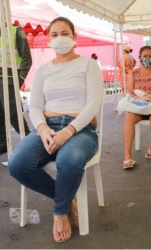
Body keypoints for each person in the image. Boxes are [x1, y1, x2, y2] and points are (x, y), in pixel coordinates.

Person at [8, 17, 103, 242]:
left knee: (69, 161)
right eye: (54, 34)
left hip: (80, 129)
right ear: (49, 39)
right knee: (17, 164)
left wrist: (68, 131)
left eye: (65, 33)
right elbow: (36, 106)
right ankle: (66, 201)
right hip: (47, 127)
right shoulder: (42, 71)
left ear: (74, 37)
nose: (59, 38)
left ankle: (59, 213)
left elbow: (93, 104)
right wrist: (41, 129)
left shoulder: (88, 65)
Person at [0, 24, 32, 154]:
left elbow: (26, 57)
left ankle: (29, 141)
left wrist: (20, 78)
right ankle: (2, 143)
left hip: (9, 78)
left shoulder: (16, 31)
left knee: (14, 112)